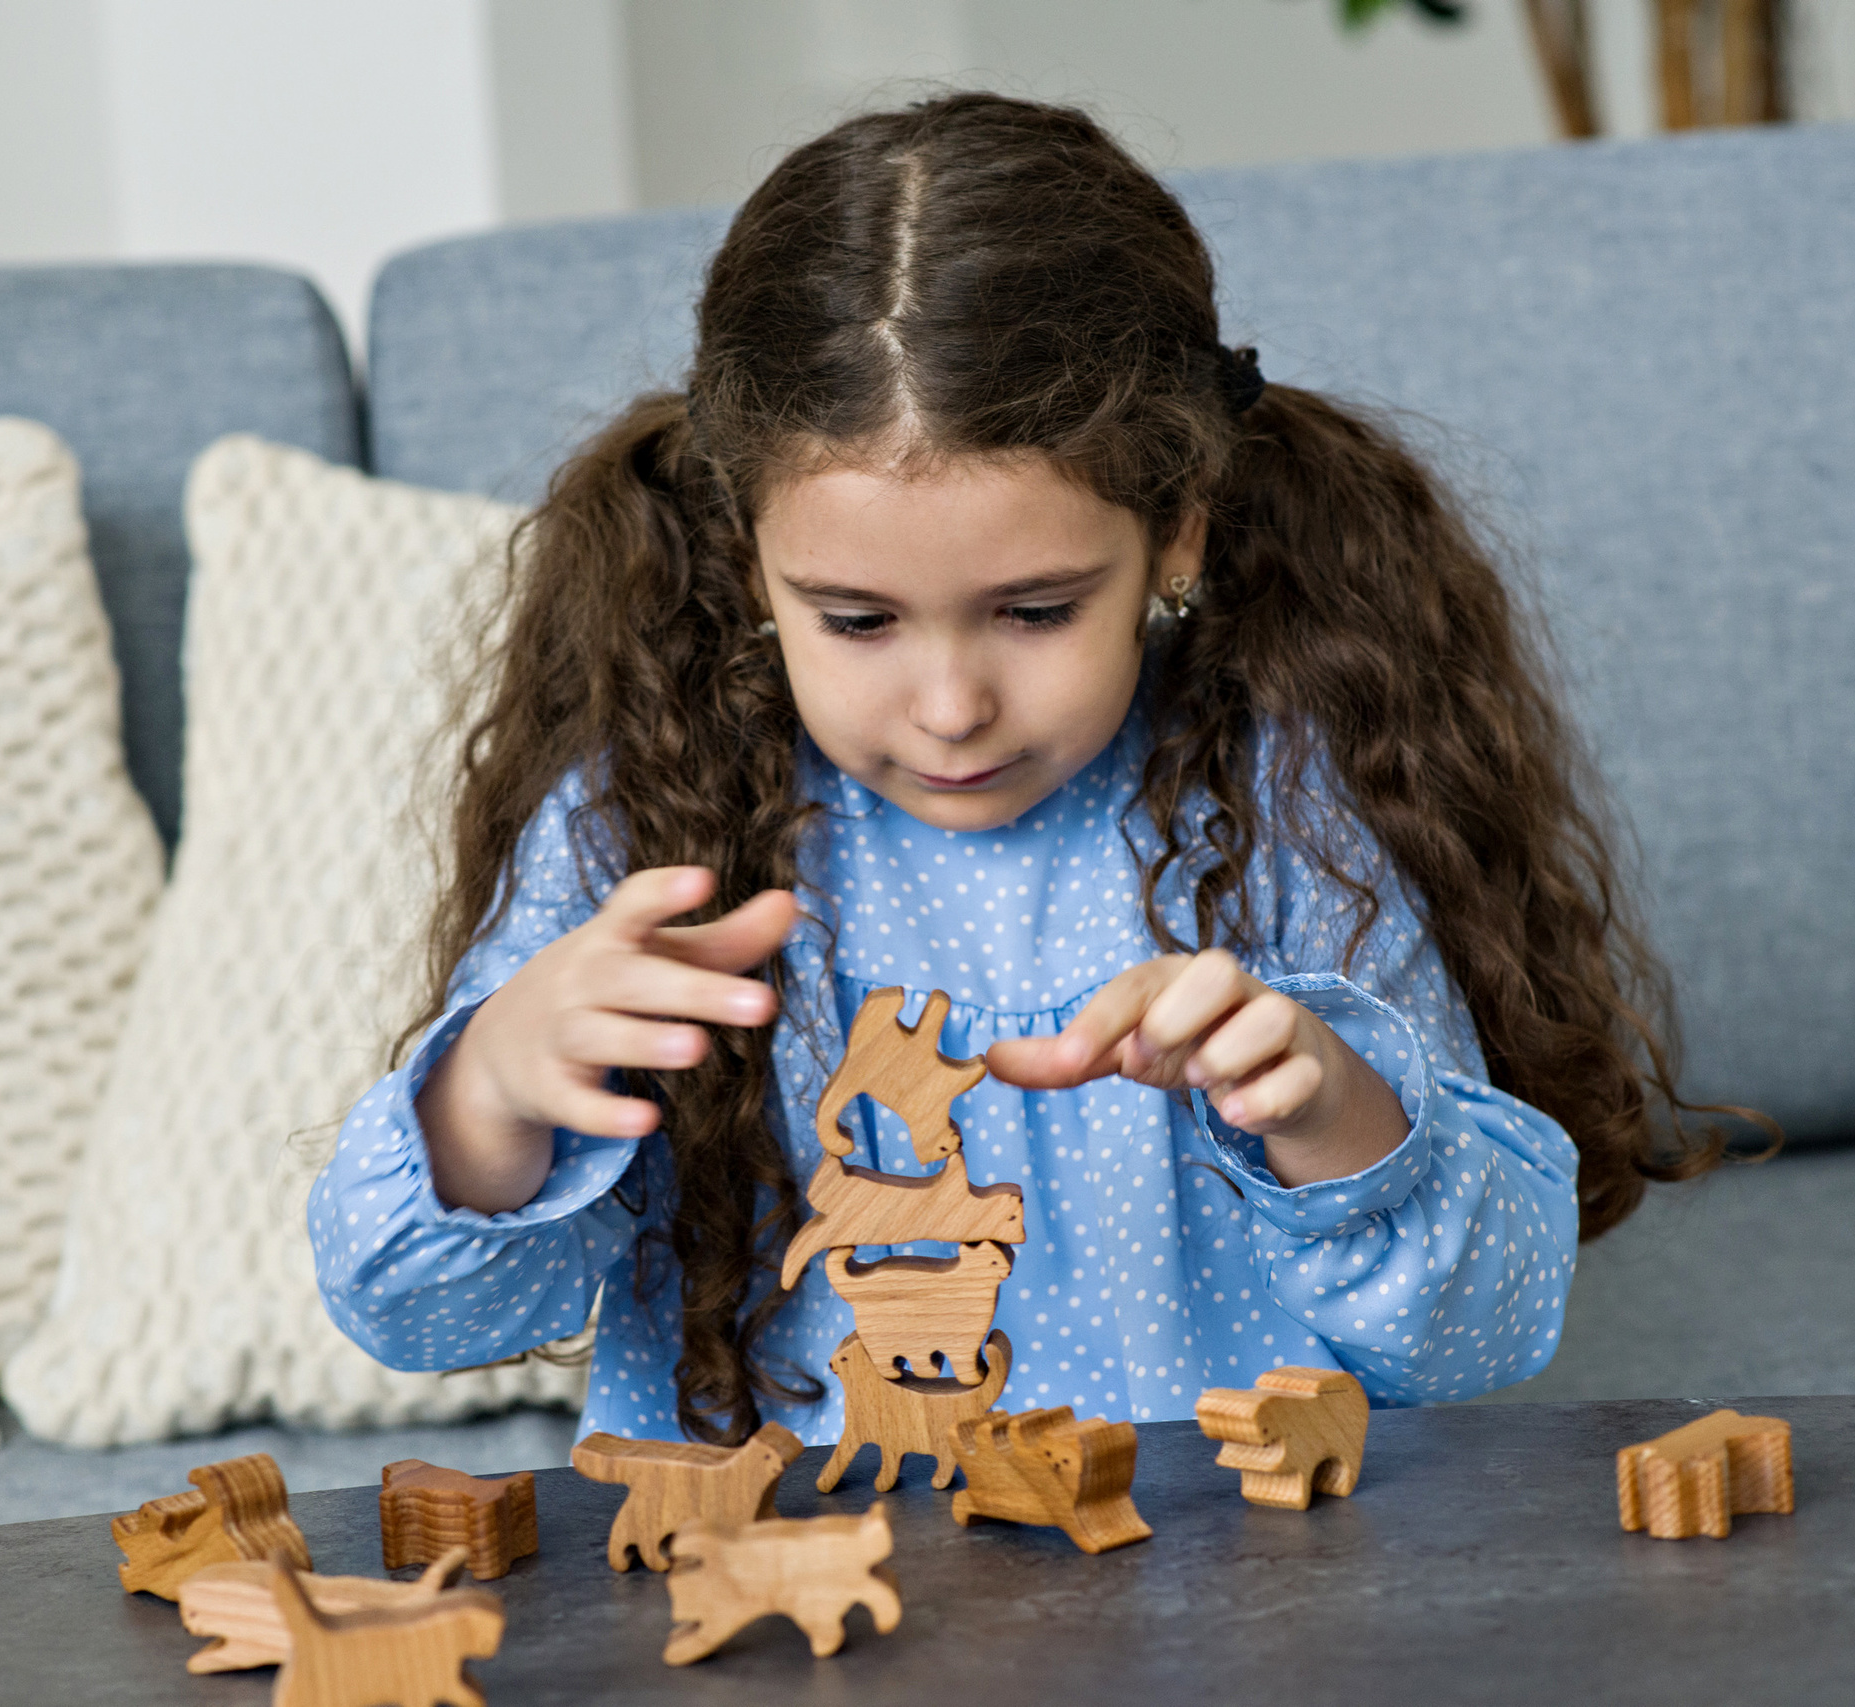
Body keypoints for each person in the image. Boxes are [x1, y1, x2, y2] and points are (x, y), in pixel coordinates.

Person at [307, 93, 1724, 1446]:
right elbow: (429, 1320)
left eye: (1036, 612)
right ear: (747, 557)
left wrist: (1328, 1109)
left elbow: (1483, 1336)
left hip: (1228, 1582)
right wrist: (490, 1096)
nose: (951, 710)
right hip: (792, 1584)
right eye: (856, 621)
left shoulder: (1288, 808)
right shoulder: (644, 824)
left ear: (1177, 532)